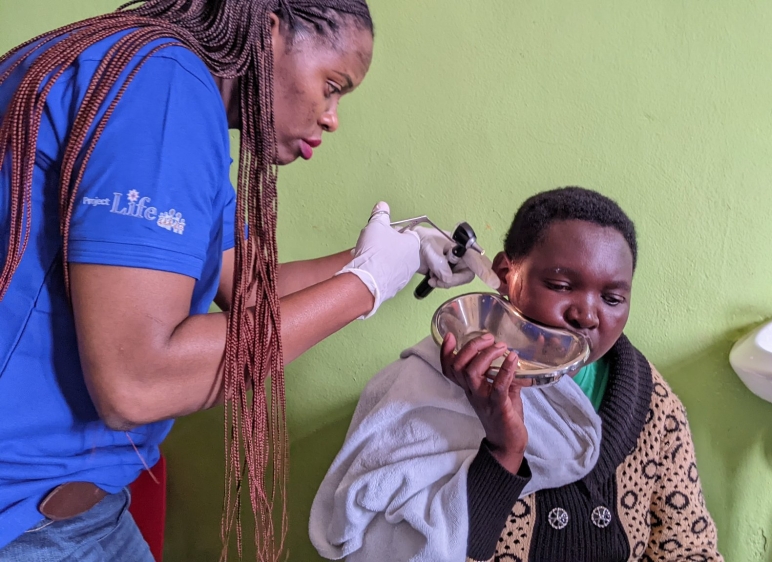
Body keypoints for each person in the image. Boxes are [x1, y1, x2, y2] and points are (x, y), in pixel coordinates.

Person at [0, 1, 495, 561]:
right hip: (24, 522)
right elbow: (136, 381)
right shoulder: (163, 84)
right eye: (332, 85)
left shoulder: (155, 86)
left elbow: (254, 289)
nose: (333, 116)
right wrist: (365, 285)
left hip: (72, 515)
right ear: (268, 30)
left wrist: (396, 253)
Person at [310, 187, 723, 562]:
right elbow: (386, 546)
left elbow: (689, 548)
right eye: (561, 285)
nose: (587, 314)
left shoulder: (649, 401)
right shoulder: (426, 388)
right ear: (507, 275)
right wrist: (503, 452)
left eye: (613, 298)